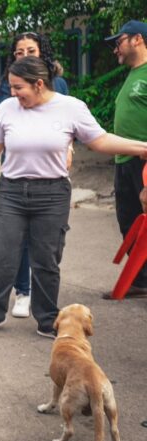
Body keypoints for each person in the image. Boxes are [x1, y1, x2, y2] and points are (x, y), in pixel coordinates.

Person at [0, 56, 147, 338]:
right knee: (3, 254)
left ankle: (48, 317)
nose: (13, 93)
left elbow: (99, 140)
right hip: (12, 191)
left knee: (46, 259)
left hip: (52, 193)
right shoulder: (7, 109)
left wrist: (141, 147)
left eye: (18, 87)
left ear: (39, 84)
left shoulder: (70, 108)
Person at [0, 31, 70, 318]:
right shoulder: (7, 89)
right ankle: (21, 292)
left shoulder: (59, 88)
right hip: (14, 175)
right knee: (8, 247)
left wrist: (67, 149)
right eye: (19, 52)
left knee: (44, 252)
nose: (24, 56)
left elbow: (72, 126)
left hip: (50, 180)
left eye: (30, 51)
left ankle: (45, 313)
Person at [102, 20, 147, 299]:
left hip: (144, 162)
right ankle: (141, 280)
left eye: (119, 41)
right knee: (129, 222)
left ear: (138, 40)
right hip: (124, 162)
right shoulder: (132, 75)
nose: (115, 48)